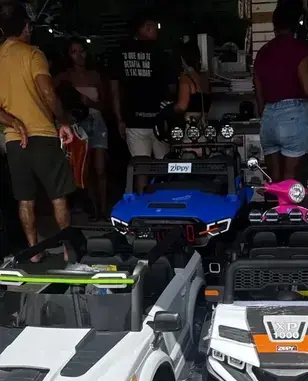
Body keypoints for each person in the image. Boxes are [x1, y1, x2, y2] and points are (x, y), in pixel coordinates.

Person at [0, 3, 74, 261]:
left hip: (13, 140)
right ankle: (68, 250)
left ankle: (34, 252)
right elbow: (48, 93)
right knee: (58, 195)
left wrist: (12, 121)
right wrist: (63, 120)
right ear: (27, 28)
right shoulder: (33, 54)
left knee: (25, 199)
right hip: (42, 134)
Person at [110, 11, 177, 193]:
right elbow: (172, 88)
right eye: (154, 27)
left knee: (141, 170)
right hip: (159, 121)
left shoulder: (120, 52)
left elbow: (114, 89)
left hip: (134, 120)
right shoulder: (160, 51)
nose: (156, 31)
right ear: (146, 28)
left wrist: (119, 119)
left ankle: (142, 204)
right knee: (165, 168)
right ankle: (164, 204)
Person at [253, 3, 308, 182]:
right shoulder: (299, 49)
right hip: (293, 116)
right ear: (296, 25)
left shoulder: (263, 52)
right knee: (290, 179)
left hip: (268, 117)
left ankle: (273, 201)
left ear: (275, 25)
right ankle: (287, 202)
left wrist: (264, 112)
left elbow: (258, 91)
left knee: (273, 179)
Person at [55, 38, 109, 221]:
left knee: (100, 168)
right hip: (77, 125)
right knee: (85, 170)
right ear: (68, 55)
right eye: (74, 51)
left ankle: (104, 210)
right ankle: (94, 209)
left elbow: (104, 104)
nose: (79, 55)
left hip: (97, 121)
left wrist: (89, 103)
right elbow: (49, 96)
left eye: (82, 51)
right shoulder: (64, 76)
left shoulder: (95, 75)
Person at [174, 41, 211, 118]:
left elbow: (182, 106)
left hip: (189, 122)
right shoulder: (204, 78)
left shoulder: (185, 78)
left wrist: (168, 108)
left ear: (182, 58)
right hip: (203, 122)